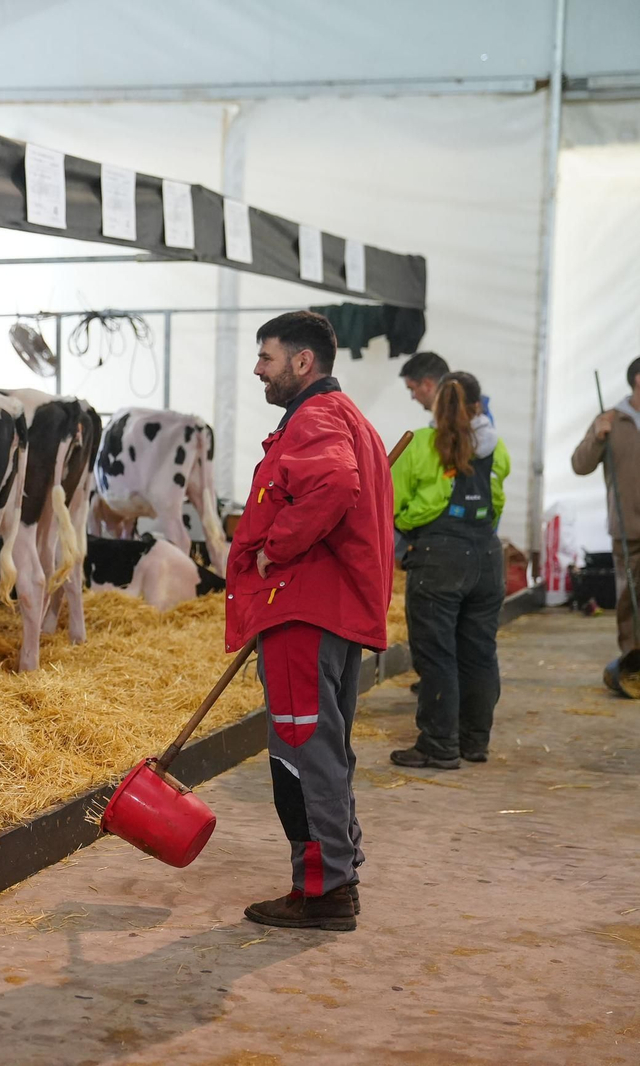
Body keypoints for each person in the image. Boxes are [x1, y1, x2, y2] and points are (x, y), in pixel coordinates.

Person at [229, 311, 393, 932]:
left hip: (305, 609)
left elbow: (334, 485)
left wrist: (277, 548)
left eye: (267, 358)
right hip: (336, 608)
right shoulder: (350, 418)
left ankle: (322, 889)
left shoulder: (315, 418)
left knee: (302, 750)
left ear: (302, 362)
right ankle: (339, 872)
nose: (258, 370)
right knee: (327, 744)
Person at [391, 372, 509, 768]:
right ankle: (475, 742)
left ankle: (440, 743)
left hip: (438, 558)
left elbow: (391, 502)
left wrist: (407, 530)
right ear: (479, 405)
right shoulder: (497, 448)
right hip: (488, 558)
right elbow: (496, 503)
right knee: (479, 652)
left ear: (437, 405)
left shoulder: (420, 445)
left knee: (437, 654)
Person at [572, 355, 640, 663]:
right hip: (628, 526)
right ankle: (633, 660)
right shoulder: (610, 419)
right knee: (630, 597)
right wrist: (598, 438)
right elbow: (580, 465)